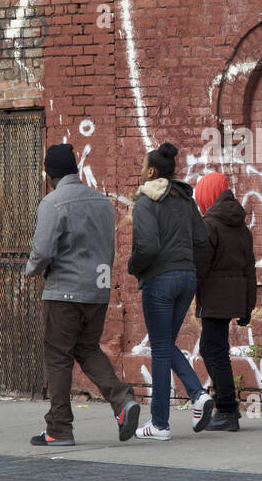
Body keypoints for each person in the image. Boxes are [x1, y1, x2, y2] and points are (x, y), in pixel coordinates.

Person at [24, 143, 139, 447]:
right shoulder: (102, 202)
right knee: (87, 349)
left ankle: (59, 428)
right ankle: (123, 400)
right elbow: (109, 248)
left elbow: (43, 250)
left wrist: (30, 270)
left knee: (58, 357)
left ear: (50, 173)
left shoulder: (53, 203)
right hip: (97, 293)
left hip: (64, 294)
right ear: (74, 169)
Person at [128, 142, 214, 440]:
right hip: (187, 278)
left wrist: (134, 266)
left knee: (161, 349)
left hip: (160, 281)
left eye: (142, 166)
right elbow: (202, 242)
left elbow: (148, 246)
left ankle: (161, 424)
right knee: (164, 344)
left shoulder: (145, 202)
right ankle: (198, 395)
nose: (140, 171)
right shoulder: (186, 200)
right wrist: (186, 267)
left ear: (151, 171)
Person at [193, 172, 257, 432]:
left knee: (213, 351)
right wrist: (247, 305)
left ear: (207, 195)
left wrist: (188, 288)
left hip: (215, 299)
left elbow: (200, 266)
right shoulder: (240, 225)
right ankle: (225, 407)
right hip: (233, 297)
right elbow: (250, 268)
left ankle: (227, 410)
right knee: (216, 349)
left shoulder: (209, 225)